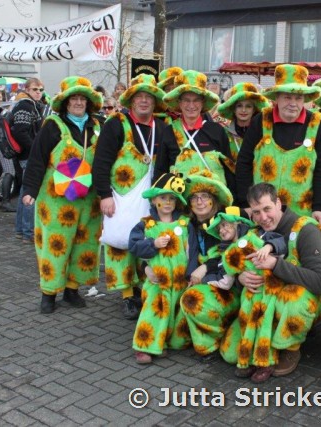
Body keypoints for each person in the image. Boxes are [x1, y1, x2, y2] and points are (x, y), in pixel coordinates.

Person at [220, 182, 321, 383]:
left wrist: (275, 265)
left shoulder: (306, 230)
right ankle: (262, 342)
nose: (263, 217)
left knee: (291, 300)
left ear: (278, 203)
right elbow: (237, 263)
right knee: (230, 354)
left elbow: (319, 282)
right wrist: (240, 277)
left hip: (304, 298)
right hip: (264, 302)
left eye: (267, 209)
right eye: (256, 212)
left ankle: (290, 347)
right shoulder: (255, 233)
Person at [21, 76, 103, 314]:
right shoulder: (53, 125)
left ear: (88, 102)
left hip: (89, 199)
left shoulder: (98, 125)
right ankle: (48, 293)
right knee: (55, 244)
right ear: (65, 103)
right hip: (56, 200)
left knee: (84, 243)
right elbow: (37, 158)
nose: (78, 102)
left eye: (82, 99)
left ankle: (71, 290)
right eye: (73, 98)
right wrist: (30, 190)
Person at [93, 73, 169, 320]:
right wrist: (105, 194)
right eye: (139, 97)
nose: (144, 101)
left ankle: (145, 288)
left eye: (149, 97)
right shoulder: (115, 123)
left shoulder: (162, 127)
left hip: (152, 197)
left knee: (148, 241)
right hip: (121, 196)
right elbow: (101, 161)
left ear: (155, 101)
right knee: (120, 243)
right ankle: (127, 295)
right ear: (131, 100)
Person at [235, 64, 321, 225]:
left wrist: (318, 207)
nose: (293, 103)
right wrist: (246, 203)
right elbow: (244, 162)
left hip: (301, 213)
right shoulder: (261, 120)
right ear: (276, 97)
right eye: (287, 97)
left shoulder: (317, 123)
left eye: (298, 98)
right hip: (261, 214)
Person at [128, 172, 192, 364]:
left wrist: (190, 274)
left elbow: (193, 250)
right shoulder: (146, 224)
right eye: (163, 198)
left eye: (171, 198)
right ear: (154, 199)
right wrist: (153, 244)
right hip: (157, 279)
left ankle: (161, 342)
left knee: (172, 313)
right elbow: (133, 246)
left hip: (179, 280)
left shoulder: (185, 223)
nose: (167, 202)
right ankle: (144, 345)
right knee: (154, 310)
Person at [179, 171, 241, 357]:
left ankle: (212, 341)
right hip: (197, 282)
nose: (200, 202)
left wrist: (205, 267)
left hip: (227, 287)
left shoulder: (225, 224)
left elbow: (234, 254)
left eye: (205, 196)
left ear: (214, 200)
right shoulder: (188, 225)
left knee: (192, 300)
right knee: (177, 339)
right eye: (195, 197)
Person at [155, 70, 235, 191]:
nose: (191, 105)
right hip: (180, 198)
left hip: (212, 198)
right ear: (179, 102)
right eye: (186, 100)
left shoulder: (217, 131)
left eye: (196, 100)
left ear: (203, 102)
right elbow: (161, 171)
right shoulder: (168, 132)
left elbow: (229, 169)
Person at [13, 78, 46, 241]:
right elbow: (20, 131)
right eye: (35, 89)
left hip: (27, 155)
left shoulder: (32, 105)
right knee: (31, 192)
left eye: (41, 89)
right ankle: (28, 232)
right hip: (28, 156)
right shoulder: (25, 106)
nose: (38, 92)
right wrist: (35, 149)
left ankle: (21, 230)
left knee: (24, 192)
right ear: (27, 90)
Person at [216, 82, 269, 164]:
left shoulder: (263, 133)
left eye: (248, 106)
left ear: (254, 109)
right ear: (234, 109)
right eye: (239, 106)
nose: (243, 110)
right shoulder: (223, 134)